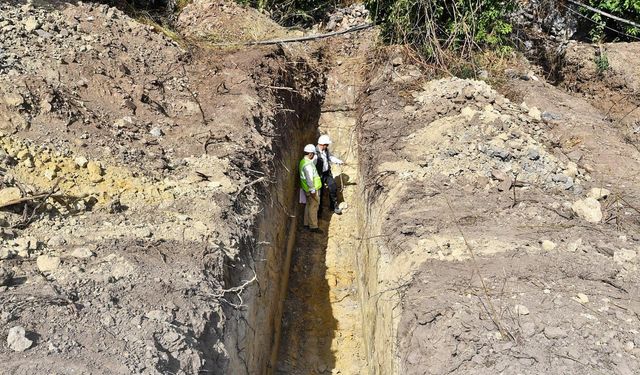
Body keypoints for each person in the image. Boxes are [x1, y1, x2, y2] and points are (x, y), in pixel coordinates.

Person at [315, 134, 344, 215]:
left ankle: (333, 206)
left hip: (327, 173)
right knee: (320, 192)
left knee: (333, 187)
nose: (327, 146)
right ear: (322, 144)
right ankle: (318, 210)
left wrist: (339, 161)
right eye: (326, 145)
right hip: (319, 176)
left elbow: (330, 157)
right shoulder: (314, 153)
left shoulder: (326, 150)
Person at [300, 144, 323, 233]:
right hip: (312, 189)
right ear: (310, 154)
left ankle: (306, 223)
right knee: (313, 207)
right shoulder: (308, 165)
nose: (313, 155)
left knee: (308, 206)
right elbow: (309, 179)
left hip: (307, 189)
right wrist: (313, 190)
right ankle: (313, 226)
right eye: (313, 154)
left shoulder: (303, 162)